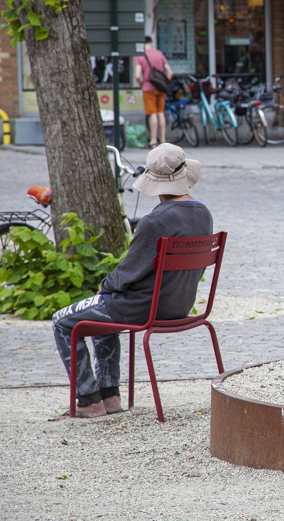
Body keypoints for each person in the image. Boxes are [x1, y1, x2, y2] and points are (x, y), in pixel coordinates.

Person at [51, 144, 213, 419]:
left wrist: (104, 288)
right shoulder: (203, 214)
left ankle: (89, 401)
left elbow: (126, 274)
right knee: (102, 318)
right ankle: (110, 398)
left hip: (143, 307)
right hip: (179, 305)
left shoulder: (157, 221)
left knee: (63, 321)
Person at [135, 36, 174, 149]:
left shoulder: (140, 55)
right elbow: (170, 73)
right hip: (161, 87)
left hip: (148, 87)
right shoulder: (159, 53)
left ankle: (153, 141)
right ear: (151, 43)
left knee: (152, 113)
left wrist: (142, 84)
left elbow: (137, 75)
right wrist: (164, 83)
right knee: (160, 112)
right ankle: (163, 139)